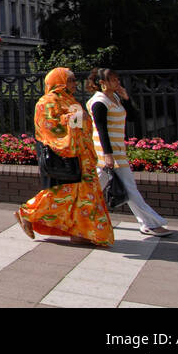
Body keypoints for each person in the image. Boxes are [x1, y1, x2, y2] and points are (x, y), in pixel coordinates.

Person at [16, 68, 114, 247]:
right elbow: (48, 128)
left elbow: (79, 124)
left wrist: (78, 119)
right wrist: (74, 118)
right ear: (59, 81)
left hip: (82, 155)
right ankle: (28, 213)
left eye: (74, 80)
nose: (74, 84)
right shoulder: (45, 102)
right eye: (70, 80)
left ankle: (81, 232)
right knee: (65, 194)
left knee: (86, 195)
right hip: (66, 155)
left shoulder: (70, 101)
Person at [86, 68, 172, 237]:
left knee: (92, 189)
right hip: (107, 153)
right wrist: (108, 155)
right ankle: (150, 223)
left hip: (115, 151)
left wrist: (126, 98)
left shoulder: (115, 98)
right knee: (129, 189)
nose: (117, 82)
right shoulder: (98, 102)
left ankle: (69, 216)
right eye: (113, 79)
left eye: (117, 79)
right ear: (102, 83)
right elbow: (101, 129)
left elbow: (133, 117)